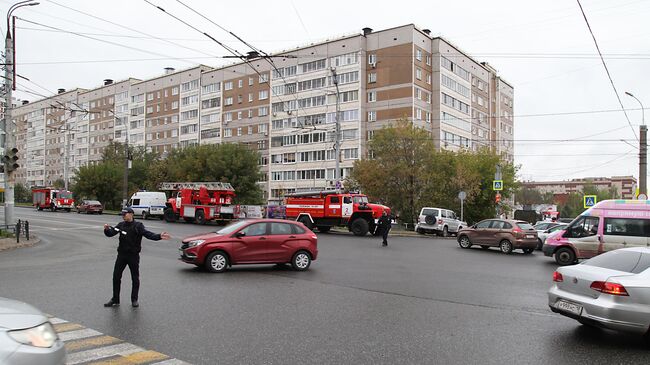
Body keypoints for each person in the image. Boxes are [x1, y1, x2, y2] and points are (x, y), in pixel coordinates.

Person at [103, 207, 170, 308]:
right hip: (121, 255)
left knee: (135, 278)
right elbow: (111, 233)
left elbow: (148, 234)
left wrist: (159, 236)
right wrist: (107, 230)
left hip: (133, 256)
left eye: (125, 214)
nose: (123, 216)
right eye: (122, 214)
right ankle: (115, 299)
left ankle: (134, 299)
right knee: (116, 277)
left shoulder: (138, 226)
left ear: (131, 214)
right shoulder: (121, 225)